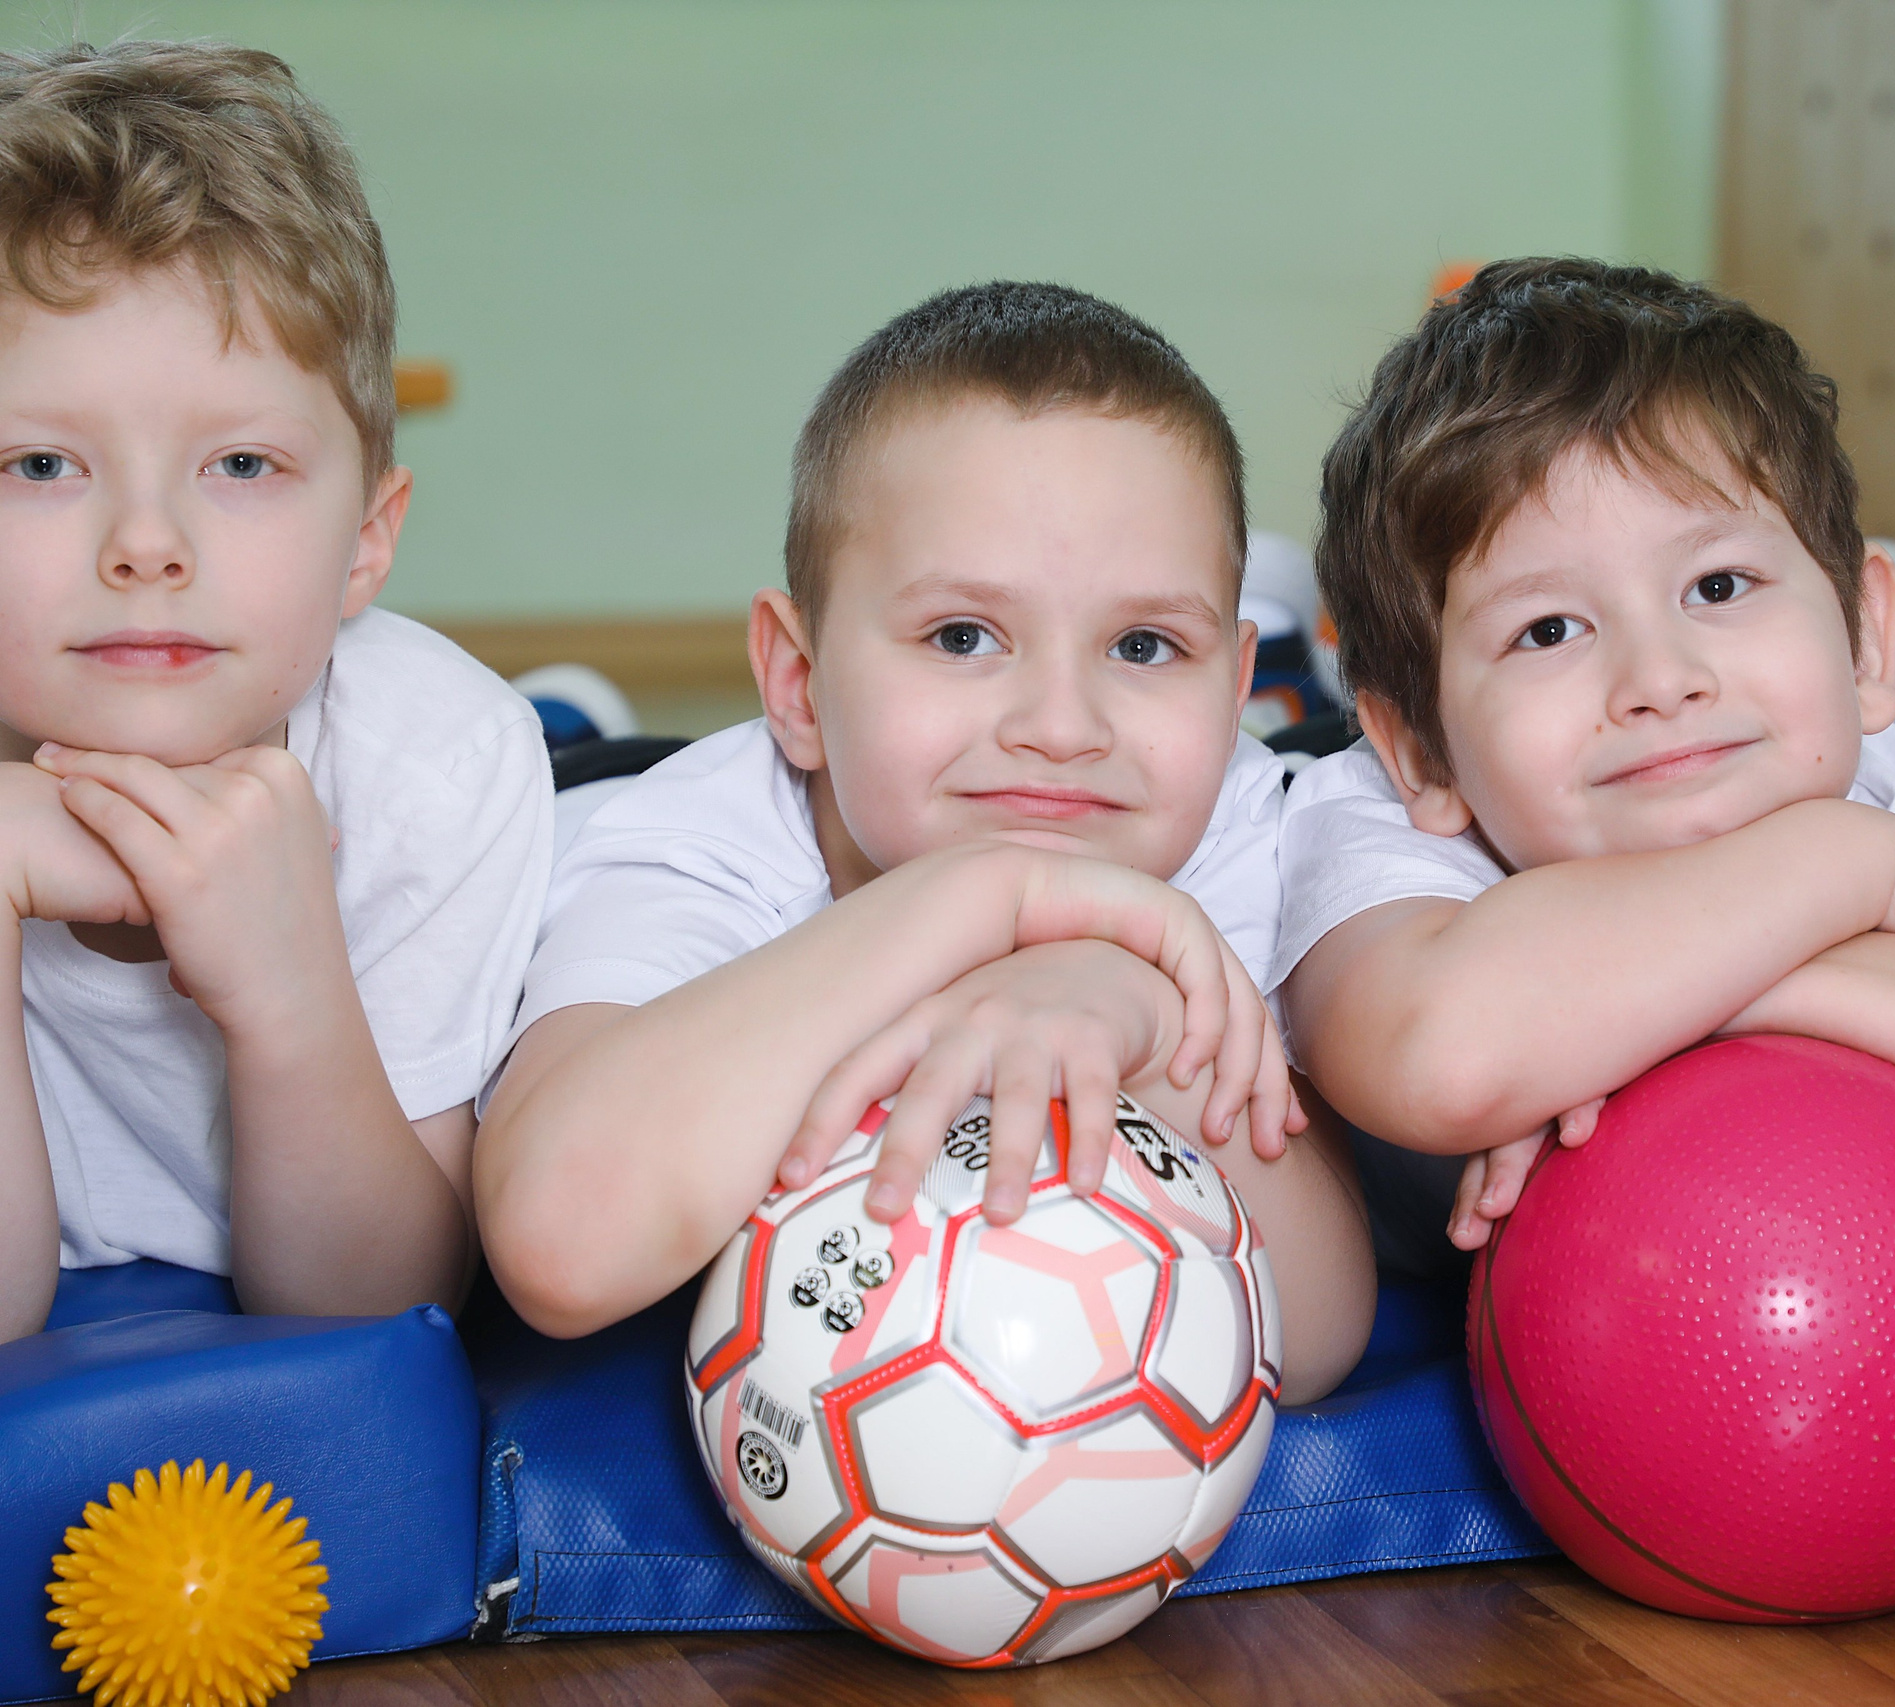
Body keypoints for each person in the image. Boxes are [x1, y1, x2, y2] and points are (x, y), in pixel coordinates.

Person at [477, 283, 1375, 1398]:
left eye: (1144, 646)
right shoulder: (696, 848)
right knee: (566, 766)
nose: (1060, 728)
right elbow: (561, 1248)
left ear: (1229, 691)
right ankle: (570, 721)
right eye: (962, 636)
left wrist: (1138, 1010)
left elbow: (1322, 1332)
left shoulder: (1236, 825)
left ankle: (1287, 656)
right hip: (594, 791)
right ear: (798, 684)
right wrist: (989, 898)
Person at [1275, 259, 1895, 1281]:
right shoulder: (1368, 819)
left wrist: (1730, 984)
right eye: (1548, 629)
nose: (1660, 678)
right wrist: (1847, 870)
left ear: (1866, 641)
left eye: (1719, 584)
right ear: (1420, 748)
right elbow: (1442, 1061)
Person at [0, 43, 552, 1341]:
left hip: (486, 755)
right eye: (37, 463)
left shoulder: (439, 766)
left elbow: (377, 1305)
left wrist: (287, 987)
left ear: (367, 536)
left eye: (240, 461)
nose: (146, 541)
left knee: (570, 765)